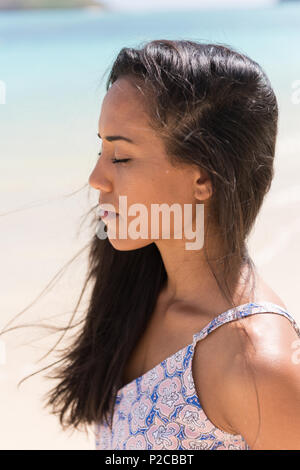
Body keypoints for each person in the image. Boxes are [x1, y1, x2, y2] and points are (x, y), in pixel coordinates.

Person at [34, 39, 300, 450]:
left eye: (120, 156)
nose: (96, 178)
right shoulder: (143, 294)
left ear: (202, 179)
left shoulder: (256, 362)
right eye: (100, 148)